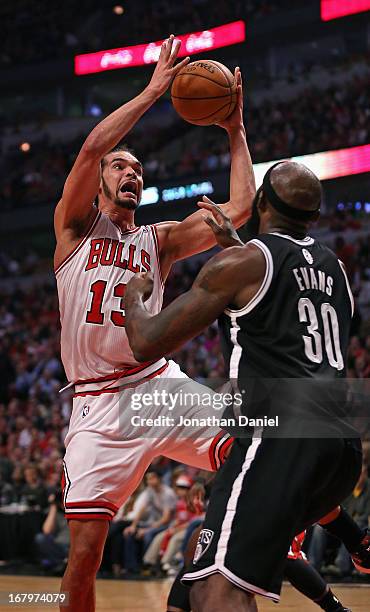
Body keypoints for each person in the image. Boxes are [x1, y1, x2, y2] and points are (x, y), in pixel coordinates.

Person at [54, 35, 253, 611]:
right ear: (100, 180)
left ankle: (220, 561)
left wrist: (233, 130)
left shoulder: (158, 241)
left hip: (155, 386)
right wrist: (153, 89)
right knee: (85, 556)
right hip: (95, 407)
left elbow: (240, 209)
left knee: (251, 447)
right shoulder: (73, 231)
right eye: (121, 165)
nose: (131, 173)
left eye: (139, 168)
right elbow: (92, 147)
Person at [125, 160, 364, 611]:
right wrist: (236, 249)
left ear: (258, 203)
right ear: (312, 217)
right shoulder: (334, 270)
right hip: (340, 446)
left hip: (278, 437)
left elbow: (145, 342)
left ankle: (352, 547)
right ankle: (356, 538)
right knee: (201, 577)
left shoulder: (241, 264)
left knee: (219, 590)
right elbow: (280, 303)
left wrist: (134, 295)